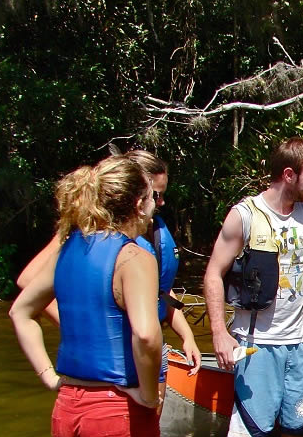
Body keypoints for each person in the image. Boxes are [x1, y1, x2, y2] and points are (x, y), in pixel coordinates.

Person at [10, 155, 162, 437]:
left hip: (68, 409)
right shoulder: (134, 255)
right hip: (116, 413)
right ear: (138, 203)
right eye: (151, 195)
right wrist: (148, 396)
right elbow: (147, 336)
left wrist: (48, 375)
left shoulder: (68, 248)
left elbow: (21, 311)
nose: (155, 203)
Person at [16, 150, 201, 400]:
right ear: (137, 192)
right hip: (114, 362)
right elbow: (28, 280)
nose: (161, 203)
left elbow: (160, 291)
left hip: (145, 353)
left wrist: (186, 335)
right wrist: (78, 325)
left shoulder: (152, 233)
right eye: (156, 195)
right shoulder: (88, 234)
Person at [203, 137, 303, 437]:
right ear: (289, 174)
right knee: (252, 433)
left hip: (301, 345)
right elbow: (213, 274)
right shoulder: (244, 216)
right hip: (256, 344)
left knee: (296, 430)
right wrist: (219, 332)